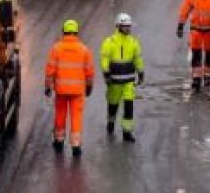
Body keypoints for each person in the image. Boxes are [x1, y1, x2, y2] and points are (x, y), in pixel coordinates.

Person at [44, 19, 95, 157]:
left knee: (60, 114)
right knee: (76, 117)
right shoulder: (84, 50)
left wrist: (48, 87)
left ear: (64, 32)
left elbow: (50, 70)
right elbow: (89, 72)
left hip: (61, 90)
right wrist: (89, 87)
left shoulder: (56, 48)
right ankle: (76, 146)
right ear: (76, 32)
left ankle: (59, 142)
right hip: (78, 91)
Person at [100, 13, 144, 143]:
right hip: (114, 81)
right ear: (118, 26)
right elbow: (105, 58)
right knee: (113, 105)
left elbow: (137, 58)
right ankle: (110, 122)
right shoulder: (109, 42)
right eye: (125, 27)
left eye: (129, 27)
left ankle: (127, 132)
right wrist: (106, 73)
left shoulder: (133, 42)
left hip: (129, 82)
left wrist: (141, 72)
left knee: (129, 107)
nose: (127, 29)